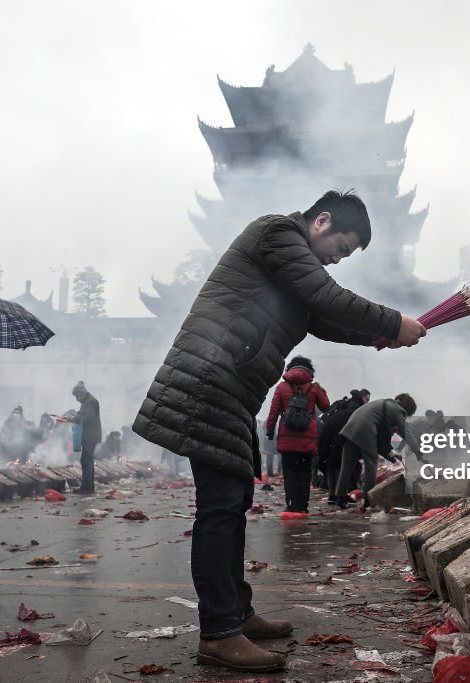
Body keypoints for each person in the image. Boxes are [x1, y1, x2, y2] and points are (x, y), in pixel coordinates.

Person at [132, 189, 426, 673]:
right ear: (322, 221)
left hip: (226, 386)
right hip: (208, 381)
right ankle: (219, 633)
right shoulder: (278, 233)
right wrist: (394, 321)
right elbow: (324, 296)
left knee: (232, 505)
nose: (338, 259)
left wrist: (377, 335)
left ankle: (236, 614)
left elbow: (320, 318)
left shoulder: (290, 260)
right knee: (220, 510)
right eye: (342, 248)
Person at [334, 393, 424, 508]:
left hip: (350, 429)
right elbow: (406, 432)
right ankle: (368, 500)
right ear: (407, 410)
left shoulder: (384, 405)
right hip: (365, 430)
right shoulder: (397, 410)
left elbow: (383, 444)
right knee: (371, 466)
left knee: (347, 467)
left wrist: (392, 456)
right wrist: (418, 452)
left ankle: (340, 498)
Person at [265, 356, 330, 514]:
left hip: (288, 435)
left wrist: (270, 430)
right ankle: (303, 505)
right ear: (309, 369)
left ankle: (292, 504)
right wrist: (322, 390)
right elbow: (326, 406)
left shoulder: (281, 387)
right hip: (307, 437)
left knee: (289, 472)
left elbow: (273, 411)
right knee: (304, 471)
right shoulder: (314, 387)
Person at [317, 388, 369, 502]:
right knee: (347, 468)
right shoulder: (356, 412)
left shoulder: (340, 409)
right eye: (367, 400)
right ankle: (343, 493)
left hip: (328, 442)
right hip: (341, 442)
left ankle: (333, 495)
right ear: (361, 399)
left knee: (332, 467)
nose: (367, 403)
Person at [58, 382, 102, 493]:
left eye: (77, 396)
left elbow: (88, 418)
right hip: (88, 435)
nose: (77, 399)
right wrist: (73, 417)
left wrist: (72, 419)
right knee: (87, 460)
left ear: (81, 394)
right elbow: (83, 415)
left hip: (90, 436)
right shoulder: (87, 402)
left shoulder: (91, 401)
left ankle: (86, 487)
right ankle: (89, 486)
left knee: (86, 460)